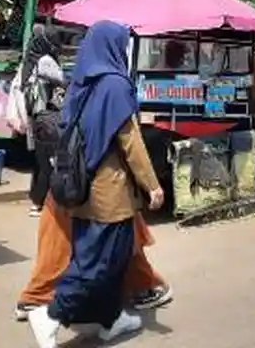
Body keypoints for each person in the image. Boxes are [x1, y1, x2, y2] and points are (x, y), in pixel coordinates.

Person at [27, 21, 165, 348]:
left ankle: (111, 318)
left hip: (81, 186)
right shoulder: (115, 85)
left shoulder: (81, 81)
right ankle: (51, 315)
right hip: (110, 192)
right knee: (99, 262)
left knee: (105, 258)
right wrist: (152, 185)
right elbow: (130, 142)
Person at [14, 205, 171, 321]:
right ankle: (140, 287)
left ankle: (36, 297)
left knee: (59, 230)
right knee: (121, 226)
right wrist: (151, 184)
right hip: (101, 181)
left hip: (67, 176)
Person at [16, 24, 67, 217]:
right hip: (48, 118)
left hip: (37, 118)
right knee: (49, 162)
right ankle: (40, 203)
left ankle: (36, 199)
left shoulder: (30, 61)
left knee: (40, 161)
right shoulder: (46, 61)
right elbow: (63, 79)